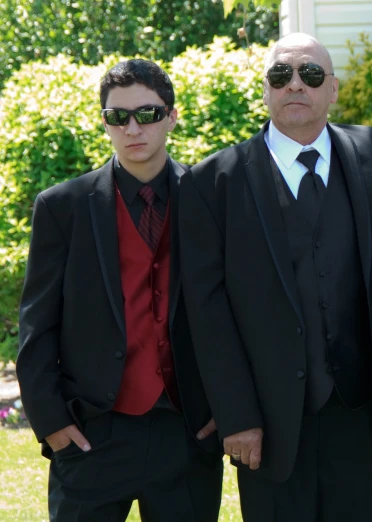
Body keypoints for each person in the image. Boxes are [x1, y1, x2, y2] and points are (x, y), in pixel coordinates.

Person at [178, 33, 372, 522]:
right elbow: (207, 312)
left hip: (361, 414)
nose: (295, 85)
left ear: (333, 90)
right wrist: (237, 418)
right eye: (281, 76)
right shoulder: (212, 181)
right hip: (268, 421)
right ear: (264, 91)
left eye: (311, 74)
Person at [16, 59, 223, 521]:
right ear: (104, 121)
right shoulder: (62, 207)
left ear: (172, 116)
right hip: (92, 432)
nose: (132, 128)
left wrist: (225, 409)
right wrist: (52, 423)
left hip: (186, 433)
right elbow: (37, 325)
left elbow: (235, 310)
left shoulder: (210, 198)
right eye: (117, 116)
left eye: (147, 114)